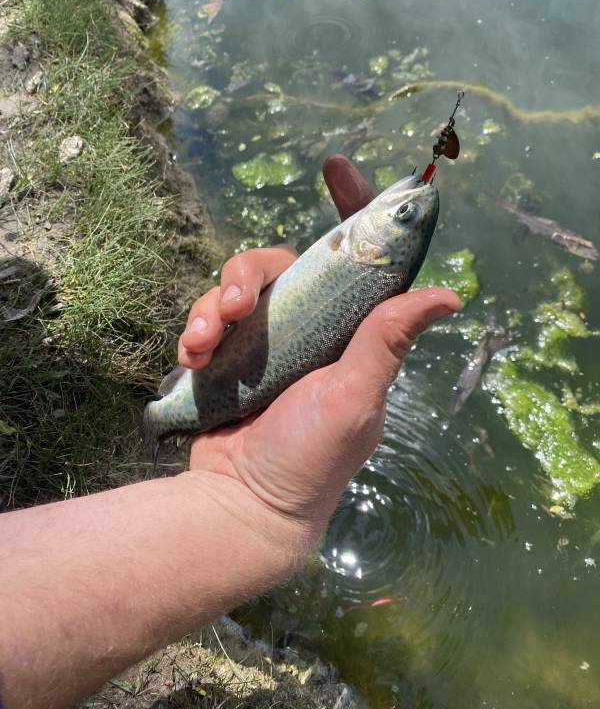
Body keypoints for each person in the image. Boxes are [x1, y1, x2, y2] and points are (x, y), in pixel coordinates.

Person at [0, 155, 460, 709]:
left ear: (378, 247)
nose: (404, 200)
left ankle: (165, 415)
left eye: (403, 215)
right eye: (408, 212)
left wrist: (251, 507)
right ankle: (169, 412)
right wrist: (246, 510)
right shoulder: (361, 251)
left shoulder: (357, 248)